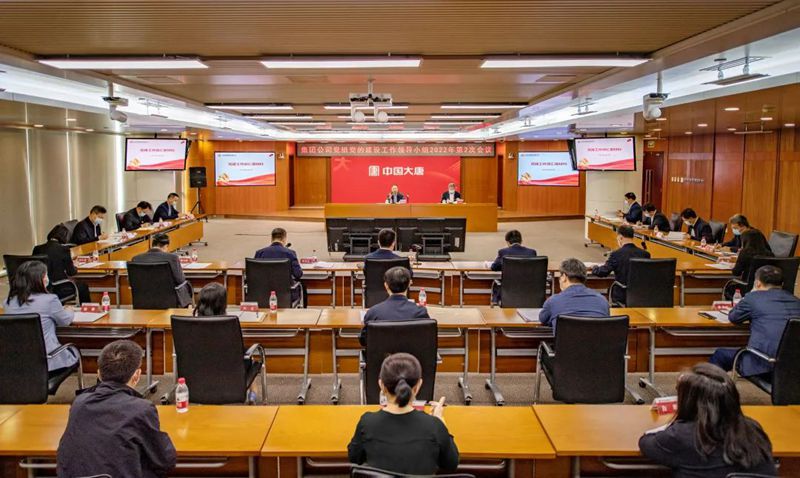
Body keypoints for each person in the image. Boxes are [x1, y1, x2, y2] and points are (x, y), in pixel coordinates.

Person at [57, 340, 177, 477]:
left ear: (99, 374)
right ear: (137, 376)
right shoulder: (141, 409)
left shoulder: (79, 403)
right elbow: (165, 460)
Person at [639, 363, 776, 478]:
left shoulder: (680, 435)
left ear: (689, 401)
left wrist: (668, 426)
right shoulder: (752, 429)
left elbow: (645, 442)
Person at [348, 353, 459, 475]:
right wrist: (441, 422)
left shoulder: (367, 423)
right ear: (418, 385)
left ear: (381, 385)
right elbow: (451, 464)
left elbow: (354, 458)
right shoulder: (434, 426)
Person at [711, 266, 800, 378]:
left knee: (720, 354)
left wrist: (750, 295)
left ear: (757, 283)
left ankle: (711, 389)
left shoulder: (753, 298)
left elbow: (733, 317)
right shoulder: (796, 301)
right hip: (794, 366)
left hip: (764, 363)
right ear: (782, 284)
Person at [4, 261, 78, 373]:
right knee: (75, 351)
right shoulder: (50, 300)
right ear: (39, 279)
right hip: (47, 360)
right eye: (45, 275)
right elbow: (65, 321)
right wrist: (69, 310)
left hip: (17, 362)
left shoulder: (8, 302)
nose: (47, 278)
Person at [360, 266, 429, 346]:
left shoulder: (373, 312)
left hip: (383, 354)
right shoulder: (420, 312)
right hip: (411, 354)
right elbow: (427, 338)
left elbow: (364, 340)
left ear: (386, 285)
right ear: (409, 284)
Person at [539, 258, 610, 332]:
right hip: (596, 339)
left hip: (565, 339)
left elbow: (543, 320)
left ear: (564, 277)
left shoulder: (553, 301)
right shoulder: (602, 300)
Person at [592, 224, 651, 305]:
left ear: (620, 237)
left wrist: (594, 268)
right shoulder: (645, 254)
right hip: (641, 294)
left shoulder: (616, 254)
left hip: (622, 293)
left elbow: (603, 272)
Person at [130, 232, 193, 307]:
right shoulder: (172, 258)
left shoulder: (136, 259)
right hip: (168, 301)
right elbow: (180, 280)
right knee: (186, 284)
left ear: (152, 245)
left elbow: (132, 282)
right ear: (166, 246)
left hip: (142, 301)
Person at [32, 224, 91, 303]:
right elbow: (71, 272)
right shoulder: (64, 249)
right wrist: (75, 266)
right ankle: (86, 309)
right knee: (83, 287)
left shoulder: (37, 249)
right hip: (59, 287)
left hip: (40, 287)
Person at [254, 227, 305, 307]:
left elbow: (254, 275)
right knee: (302, 285)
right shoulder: (290, 253)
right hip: (286, 295)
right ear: (284, 239)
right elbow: (298, 274)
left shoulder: (259, 253)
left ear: (272, 238)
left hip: (262, 294)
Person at [723, 229, 774, 300]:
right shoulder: (770, 254)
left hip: (746, 288)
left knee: (729, 288)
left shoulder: (745, 253)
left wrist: (734, 266)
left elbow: (736, 272)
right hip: (766, 289)